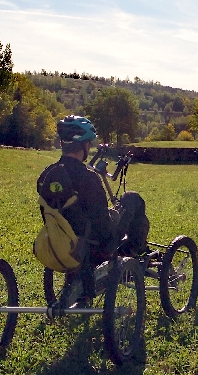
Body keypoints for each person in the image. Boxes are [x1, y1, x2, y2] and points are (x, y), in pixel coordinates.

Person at [37, 115, 150, 305]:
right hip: (96, 245)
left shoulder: (46, 175)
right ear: (83, 146)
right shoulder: (89, 178)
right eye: (89, 144)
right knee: (131, 199)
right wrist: (114, 214)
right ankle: (135, 250)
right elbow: (102, 224)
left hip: (61, 239)